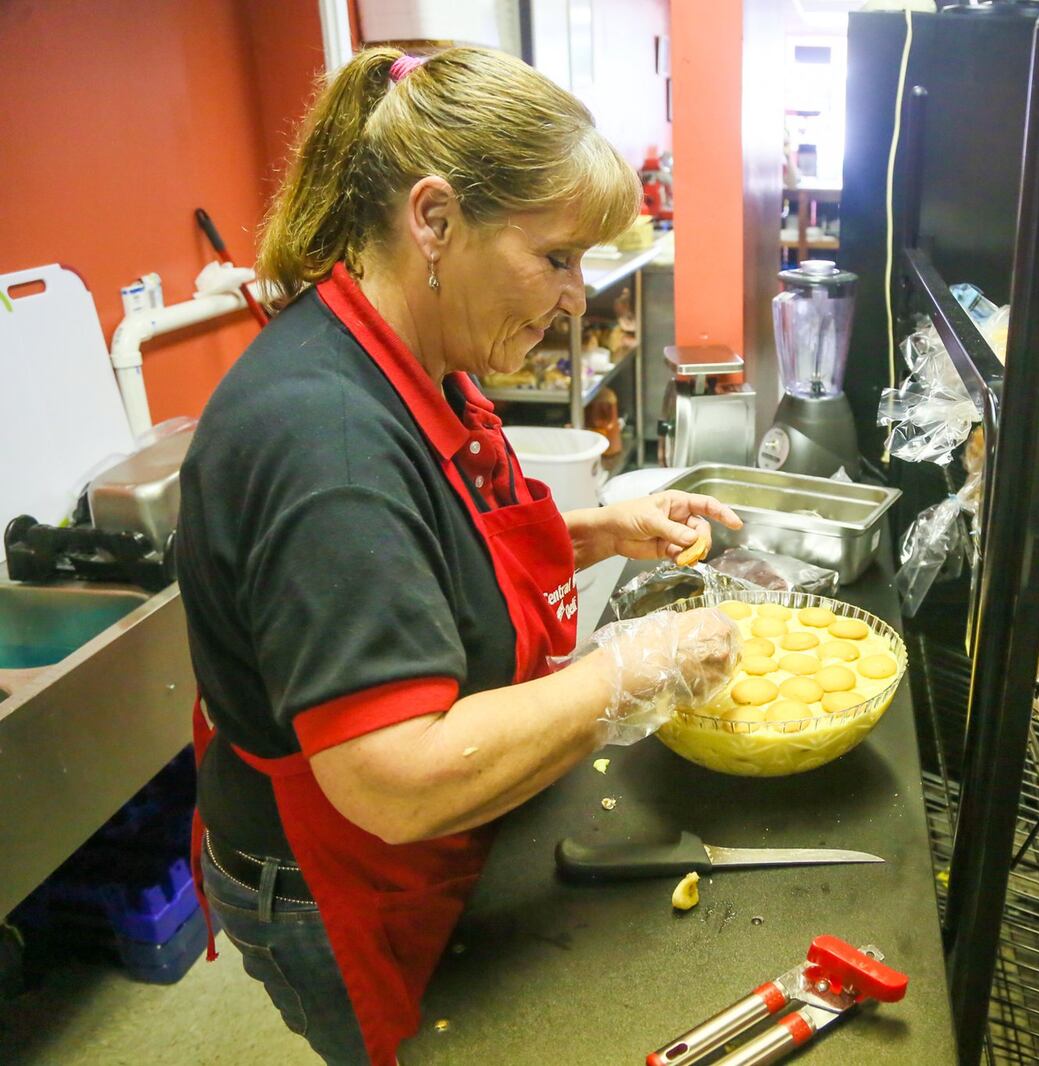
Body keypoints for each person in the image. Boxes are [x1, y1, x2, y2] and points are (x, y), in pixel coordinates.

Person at [176, 45, 740, 1065]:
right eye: (557, 257)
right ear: (433, 220)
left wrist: (598, 532)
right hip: (337, 875)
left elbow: (417, 544)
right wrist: (632, 667)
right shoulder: (325, 441)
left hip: (422, 849)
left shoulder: (412, 354)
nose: (576, 298)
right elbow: (393, 776)